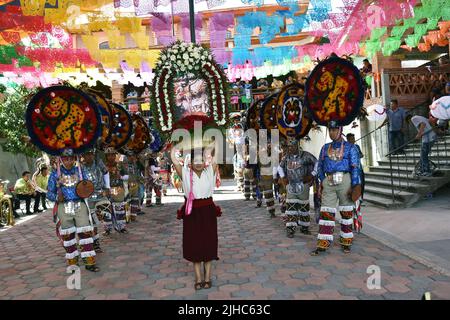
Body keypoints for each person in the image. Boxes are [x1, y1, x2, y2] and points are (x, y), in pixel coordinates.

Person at [171, 144, 221, 291]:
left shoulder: (210, 170)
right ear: (190, 162)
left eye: (201, 160)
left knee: (209, 243)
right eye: (195, 161)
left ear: (205, 161)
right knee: (195, 243)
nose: (198, 163)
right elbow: (173, 159)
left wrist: (213, 143)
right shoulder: (185, 173)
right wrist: (179, 144)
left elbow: (217, 154)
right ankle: (198, 278)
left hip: (207, 212)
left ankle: (207, 278)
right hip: (192, 213)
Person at [311, 121, 361, 256]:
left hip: (345, 180)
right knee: (326, 212)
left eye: (334, 130)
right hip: (329, 181)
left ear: (340, 130)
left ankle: (346, 242)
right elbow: (320, 166)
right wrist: (323, 180)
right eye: (330, 130)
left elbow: (355, 167)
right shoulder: (324, 147)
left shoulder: (351, 148)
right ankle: (323, 244)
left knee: (346, 213)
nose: (332, 132)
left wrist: (355, 185)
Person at [47, 155, 100, 272]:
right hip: (63, 206)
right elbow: (49, 193)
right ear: (60, 159)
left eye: (71, 158)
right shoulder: (55, 174)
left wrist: (87, 190)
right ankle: (73, 262)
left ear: (75, 158)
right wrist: (57, 197)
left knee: (85, 232)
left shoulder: (80, 171)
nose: (69, 161)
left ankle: (89, 262)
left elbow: (90, 186)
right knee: (68, 235)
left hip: (79, 204)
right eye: (66, 158)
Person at [278, 138, 317, 238]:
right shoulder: (287, 157)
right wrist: (283, 178)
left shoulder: (306, 155)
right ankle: (290, 229)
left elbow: (317, 163)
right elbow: (280, 167)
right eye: (289, 146)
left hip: (303, 185)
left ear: (297, 145)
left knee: (304, 208)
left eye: (292, 146)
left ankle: (304, 228)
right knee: (291, 207)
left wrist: (312, 175)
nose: (290, 148)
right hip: (291, 185)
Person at [81, 149, 111, 248]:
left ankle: (100, 220)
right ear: (83, 156)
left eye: (90, 154)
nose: (89, 157)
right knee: (91, 220)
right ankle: (95, 241)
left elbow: (106, 173)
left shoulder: (98, 163)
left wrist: (107, 187)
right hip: (88, 196)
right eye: (86, 154)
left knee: (106, 209)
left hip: (100, 193)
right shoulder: (80, 168)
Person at [104, 148, 128, 233]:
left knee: (120, 208)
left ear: (115, 155)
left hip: (118, 189)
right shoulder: (103, 166)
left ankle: (121, 227)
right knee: (106, 209)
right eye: (109, 155)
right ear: (106, 156)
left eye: (113, 155)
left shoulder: (120, 165)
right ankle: (108, 228)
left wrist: (120, 177)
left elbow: (127, 176)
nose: (111, 157)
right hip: (107, 190)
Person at [255, 143, 277, 218]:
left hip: (271, 177)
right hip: (263, 178)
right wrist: (258, 180)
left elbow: (275, 166)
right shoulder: (258, 158)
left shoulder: (273, 157)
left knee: (271, 195)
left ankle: (274, 211)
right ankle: (271, 211)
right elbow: (256, 169)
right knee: (267, 195)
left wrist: (275, 177)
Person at [123, 154, 145, 220]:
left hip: (135, 185)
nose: (132, 157)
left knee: (135, 200)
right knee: (127, 201)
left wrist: (142, 179)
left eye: (133, 156)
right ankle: (127, 217)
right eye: (129, 156)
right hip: (126, 185)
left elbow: (136, 174)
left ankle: (133, 215)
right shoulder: (123, 165)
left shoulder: (135, 165)